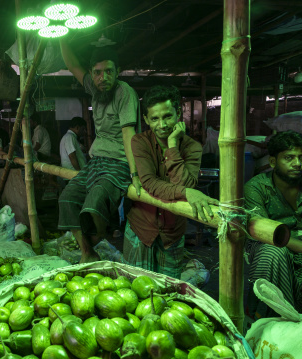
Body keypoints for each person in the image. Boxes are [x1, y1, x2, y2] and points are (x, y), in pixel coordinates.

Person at [58, 40, 142, 263]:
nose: (103, 77)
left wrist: (135, 173)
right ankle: (87, 253)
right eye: (97, 72)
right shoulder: (94, 89)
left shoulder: (125, 93)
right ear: (91, 74)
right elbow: (71, 63)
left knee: (94, 202)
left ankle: (98, 237)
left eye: (108, 72)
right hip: (96, 162)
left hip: (119, 162)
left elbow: (128, 134)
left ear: (117, 72)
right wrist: (60, 35)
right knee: (67, 198)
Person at [124, 85, 218, 278]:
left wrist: (172, 145)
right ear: (146, 120)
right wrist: (186, 194)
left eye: (167, 116)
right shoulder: (140, 142)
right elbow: (149, 182)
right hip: (141, 228)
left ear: (178, 113)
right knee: (135, 287)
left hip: (172, 233)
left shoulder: (192, 147)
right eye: (154, 119)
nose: (162, 125)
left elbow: (186, 184)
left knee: (168, 291)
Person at [245, 130, 302, 318]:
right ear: (273, 162)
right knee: (274, 253)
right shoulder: (256, 188)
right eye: (289, 158)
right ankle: (266, 318)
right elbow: (269, 235)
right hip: (269, 246)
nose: (298, 163)